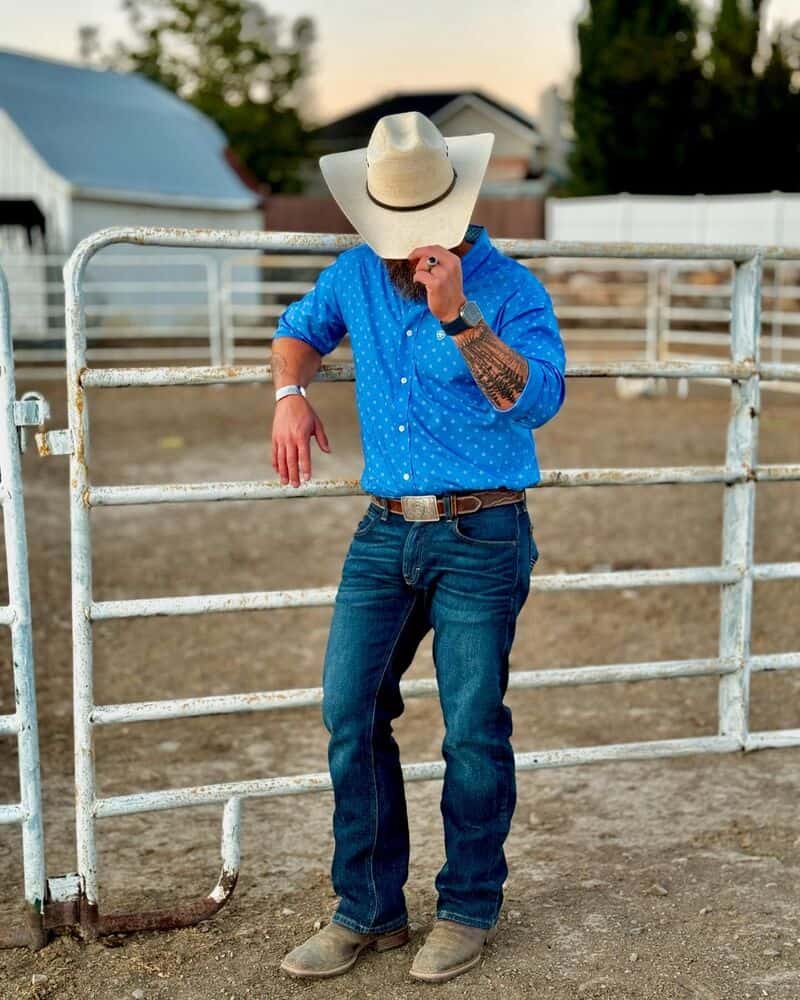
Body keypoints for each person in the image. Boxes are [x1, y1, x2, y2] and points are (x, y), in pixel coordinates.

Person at [271, 111, 566, 984]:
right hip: (384, 530)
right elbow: (301, 325)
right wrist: (290, 389)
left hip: (483, 530)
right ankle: (369, 909)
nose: (400, 250)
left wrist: (461, 319)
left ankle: (470, 906)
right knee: (349, 709)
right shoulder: (357, 271)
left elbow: (539, 399)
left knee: (472, 728)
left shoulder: (508, 287)